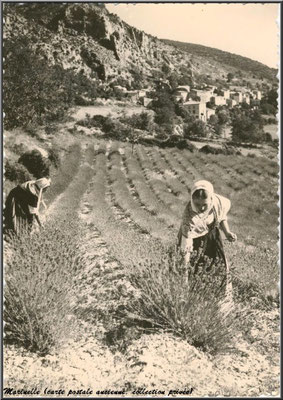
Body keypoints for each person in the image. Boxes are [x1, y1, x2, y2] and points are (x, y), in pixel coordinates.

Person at [177, 180, 237, 272]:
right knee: (195, 268)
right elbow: (186, 246)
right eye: (197, 204)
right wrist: (184, 271)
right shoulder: (188, 219)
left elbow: (221, 217)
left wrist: (227, 232)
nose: (201, 208)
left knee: (218, 267)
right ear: (192, 200)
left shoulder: (217, 203)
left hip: (213, 238)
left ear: (211, 199)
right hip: (194, 242)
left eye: (205, 204)